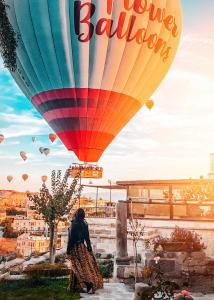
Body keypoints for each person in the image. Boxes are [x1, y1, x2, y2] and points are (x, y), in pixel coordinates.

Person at [67, 208, 103, 294]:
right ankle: (73, 287)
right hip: (82, 247)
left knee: (77, 268)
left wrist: (68, 250)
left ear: (76, 214)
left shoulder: (74, 224)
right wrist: (89, 247)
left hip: (75, 248)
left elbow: (71, 239)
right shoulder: (85, 224)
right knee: (78, 267)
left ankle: (88, 284)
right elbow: (87, 238)